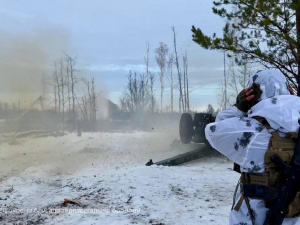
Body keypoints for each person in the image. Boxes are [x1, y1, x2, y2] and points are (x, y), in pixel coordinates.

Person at [205, 70, 300, 225]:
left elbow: (213, 131)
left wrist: (239, 108)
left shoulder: (251, 131)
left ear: (252, 94)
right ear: (289, 90)